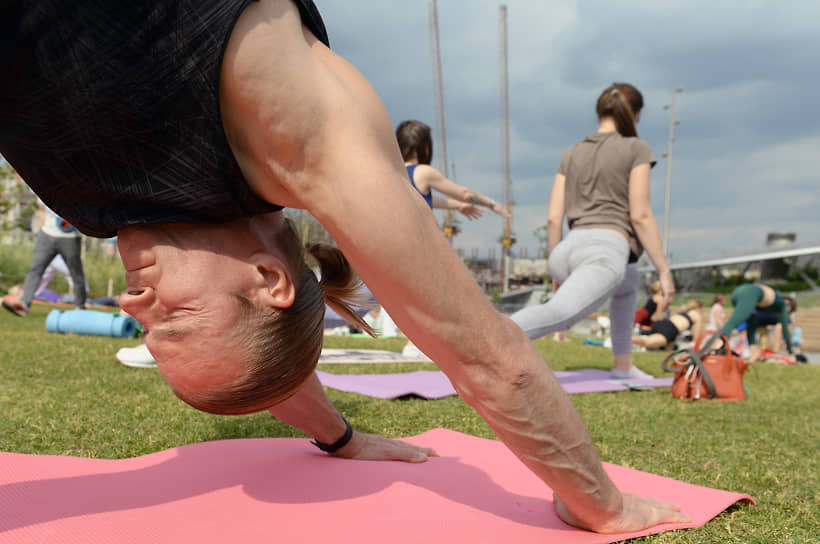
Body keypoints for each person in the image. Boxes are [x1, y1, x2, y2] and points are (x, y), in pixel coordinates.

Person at [0, 1, 687, 533]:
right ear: (269, 279)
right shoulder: (301, 143)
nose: (131, 306)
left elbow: (249, 354)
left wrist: (339, 436)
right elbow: (483, 354)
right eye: (172, 318)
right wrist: (600, 505)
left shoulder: (110, 211)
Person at [510, 83, 675, 381]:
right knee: (561, 315)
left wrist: (557, 269)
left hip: (568, 249)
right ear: (635, 115)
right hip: (604, 248)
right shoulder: (636, 147)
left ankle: (623, 365)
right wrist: (664, 271)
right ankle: (481, 344)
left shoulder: (571, 152)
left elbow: (552, 218)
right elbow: (640, 215)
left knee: (628, 281)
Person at [396, 120, 510, 219]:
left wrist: (458, 205)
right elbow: (465, 194)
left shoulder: (394, 172)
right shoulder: (423, 172)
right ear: (423, 146)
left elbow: (424, 200)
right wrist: (491, 203)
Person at [2, 201, 87, 317]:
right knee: (35, 269)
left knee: (76, 273)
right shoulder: (46, 185)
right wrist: (42, 230)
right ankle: (24, 304)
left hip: (70, 237)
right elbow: (41, 209)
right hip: (47, 235)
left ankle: (80, 307)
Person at [718, 284, 793, 362]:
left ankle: (753, 355)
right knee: (733, 323)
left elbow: (751, 327)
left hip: (737, 293)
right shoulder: (782, 305)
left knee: (751, 323)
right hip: (750, 293)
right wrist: (791, 352)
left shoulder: (765, 305)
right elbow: (785, 330)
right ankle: (716, 348)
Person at [632, 300, 703, 351]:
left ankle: (627, 338)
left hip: (663, 323)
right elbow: (696, 336)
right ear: (698, 307)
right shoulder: (696, 315)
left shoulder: (684, 314)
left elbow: (674, 334)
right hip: (669, 329)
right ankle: (624, 338)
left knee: (646, 341)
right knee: (646, 342)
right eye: (701, 309)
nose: (701, 311)